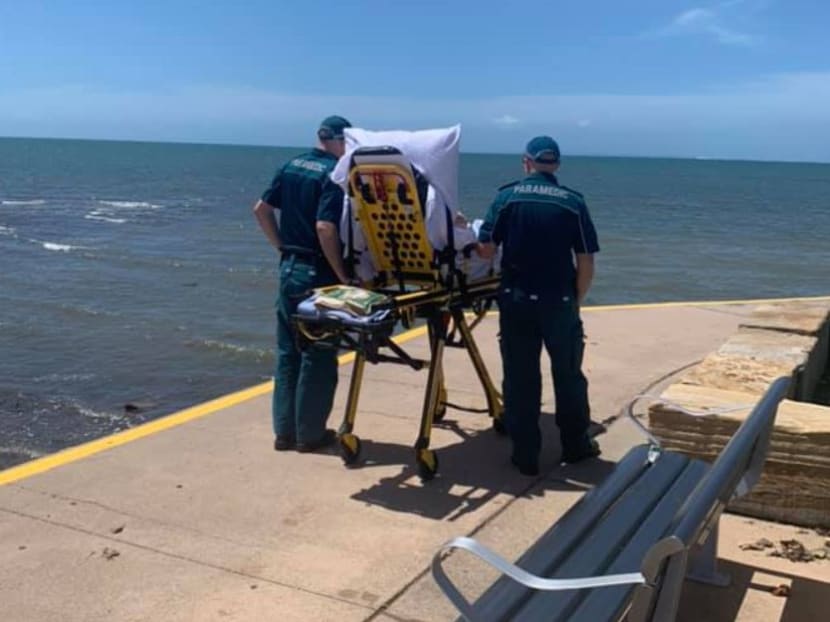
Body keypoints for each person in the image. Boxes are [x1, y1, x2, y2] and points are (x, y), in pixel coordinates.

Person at [476, 136, 600, 476]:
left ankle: (525, 455)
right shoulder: (573, 203)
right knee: (569, 375)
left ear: (525, 162)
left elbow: (486, 249)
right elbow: (586, 260)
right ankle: (576, 446)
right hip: (559, 301)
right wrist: (577, 299)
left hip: (516, 301)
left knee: (520, 378)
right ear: (556, 164)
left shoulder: (505, 197)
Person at [253, 115, 353, 453]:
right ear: (340, 141)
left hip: (289, 269)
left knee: (288, 352)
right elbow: (326, 228)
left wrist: (281, 246)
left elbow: (261, 210)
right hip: (318, 273)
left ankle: (284, 433)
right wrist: (343, 275)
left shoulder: (291, 165)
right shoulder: (334, 175)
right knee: (319, 355)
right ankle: (310, 434)